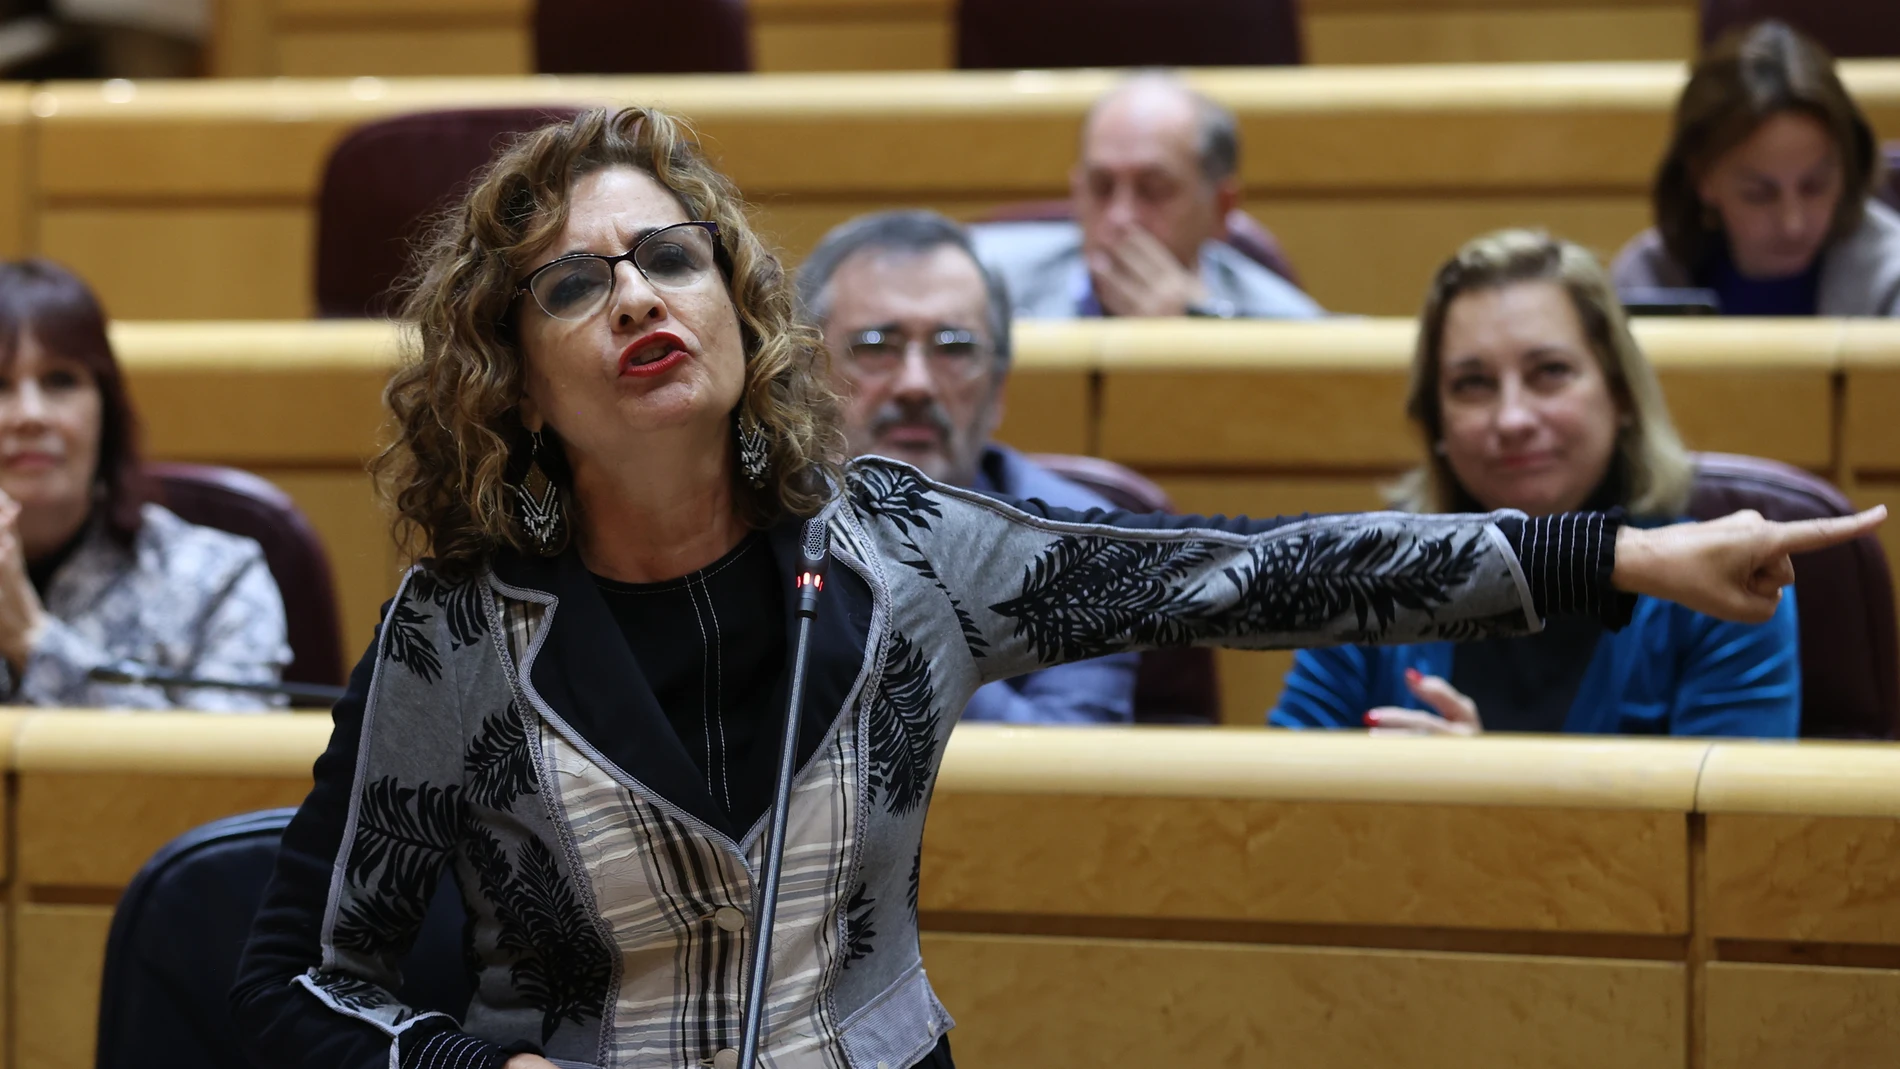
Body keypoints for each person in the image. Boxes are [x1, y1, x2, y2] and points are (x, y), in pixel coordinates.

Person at [230, 107, 1878, 1069]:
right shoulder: (459, 633)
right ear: (511, 376)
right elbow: (295, 977)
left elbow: (1269, 569)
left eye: (670, 254)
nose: (638, 295)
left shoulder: (906, 546)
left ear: (738, 305)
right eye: (573, 284)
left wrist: (1629, 550)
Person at [1273, 230, 1801, 737]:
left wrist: (1486, 798)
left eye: (1549, 371)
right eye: (1473, 384)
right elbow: (1267, 811)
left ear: (1619, 394)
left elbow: (1729, 831)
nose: (1512, 419)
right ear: (1436, 424)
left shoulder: (1719, 591)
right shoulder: (1371, 577)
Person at [796, 209, 1138, 724]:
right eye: (875, 347)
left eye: (953, 348)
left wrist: (910, 626)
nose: (917, 384)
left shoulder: (1083, 541)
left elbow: (1070, 777)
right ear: (807, 378)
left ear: (998, 388)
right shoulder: (743, 524)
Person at [0, 259, 288, 708]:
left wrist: (31, 639)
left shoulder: (217, 580)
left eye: (60, 381)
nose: (30, 414)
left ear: (106, 411)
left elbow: (227, 775)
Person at [971, 71, 1322, 320]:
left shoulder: (1282, 329)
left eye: (1154, 192)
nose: (1120, 217)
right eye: (1101, 188)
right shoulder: (976, 281)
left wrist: (1193, 336)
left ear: (1221, 207)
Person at [1611, 21, 1900, 317]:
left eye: (1815, 186)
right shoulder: (1645, 280)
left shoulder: (1893, 274)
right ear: (1701, 177)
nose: (1793, 225)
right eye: (1758, 195)